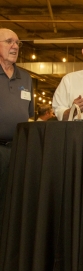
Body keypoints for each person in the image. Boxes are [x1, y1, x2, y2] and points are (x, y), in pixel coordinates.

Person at [0, 28, 34, 229]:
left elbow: (28, 113)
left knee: (12, 201)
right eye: (9, 41)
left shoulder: (26, 78)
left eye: (18, 43)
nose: (15, 46)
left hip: (18, 149)